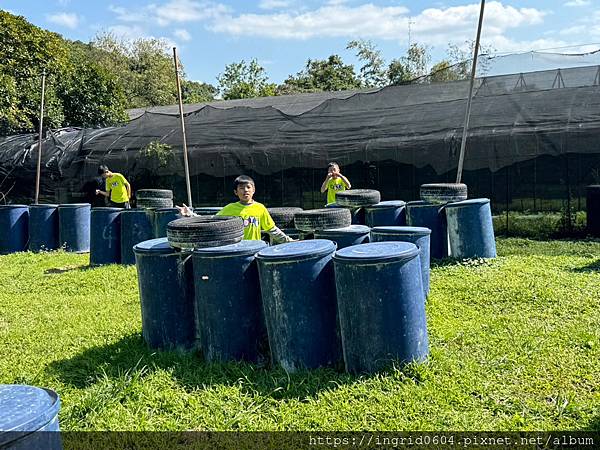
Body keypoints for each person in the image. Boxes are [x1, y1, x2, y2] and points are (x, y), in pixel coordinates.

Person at [177, 175, 294, 244]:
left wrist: (290, 241)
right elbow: (211, 221)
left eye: (248, 187)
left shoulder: (260, 208)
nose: (245, 190)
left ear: (254, 190)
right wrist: (190, 215)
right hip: (236, 251)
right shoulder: (230, 208)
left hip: (254, 249)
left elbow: (272, 230)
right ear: (236, 192)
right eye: (241, 188)